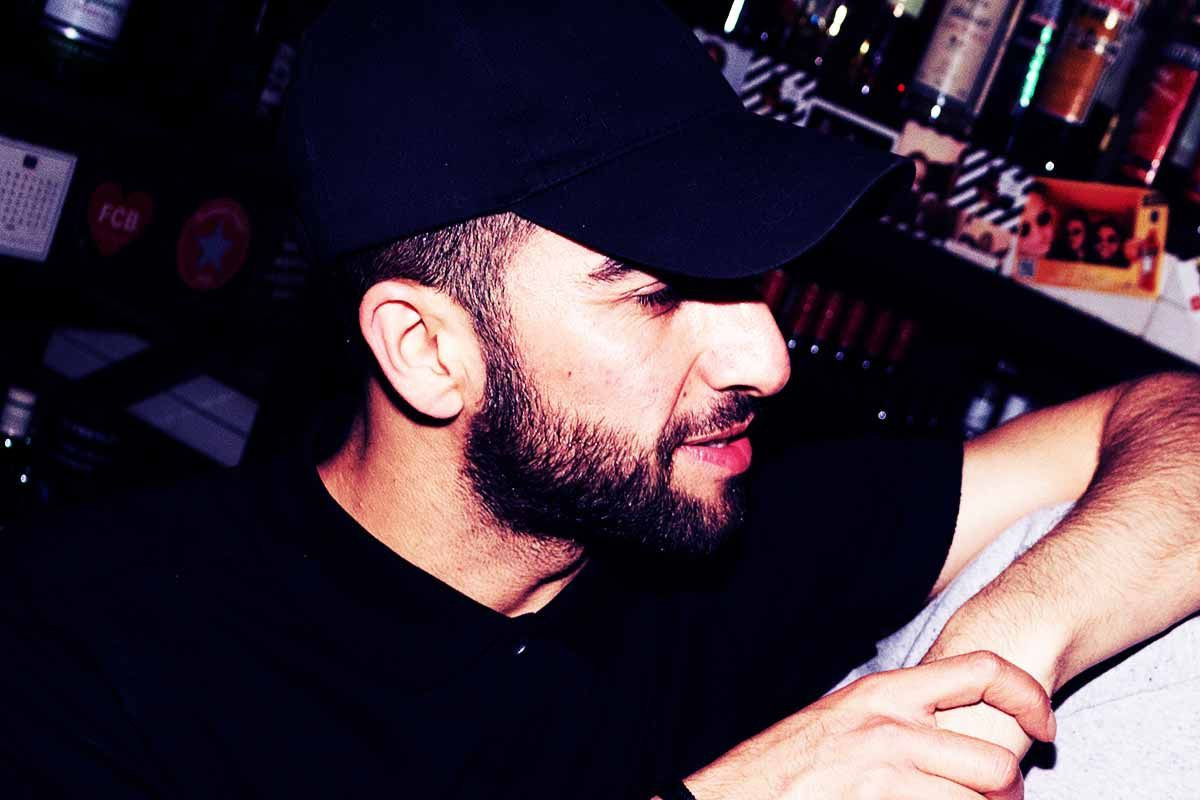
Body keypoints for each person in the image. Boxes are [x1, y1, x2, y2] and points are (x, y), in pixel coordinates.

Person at [2, 2, 1200, 799]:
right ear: (426, 351)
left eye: (751, 278)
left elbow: (1172, 418)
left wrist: (1001, 647)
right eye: (658, 293)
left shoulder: (713, 536)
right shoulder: (86, 650)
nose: (766, 357)